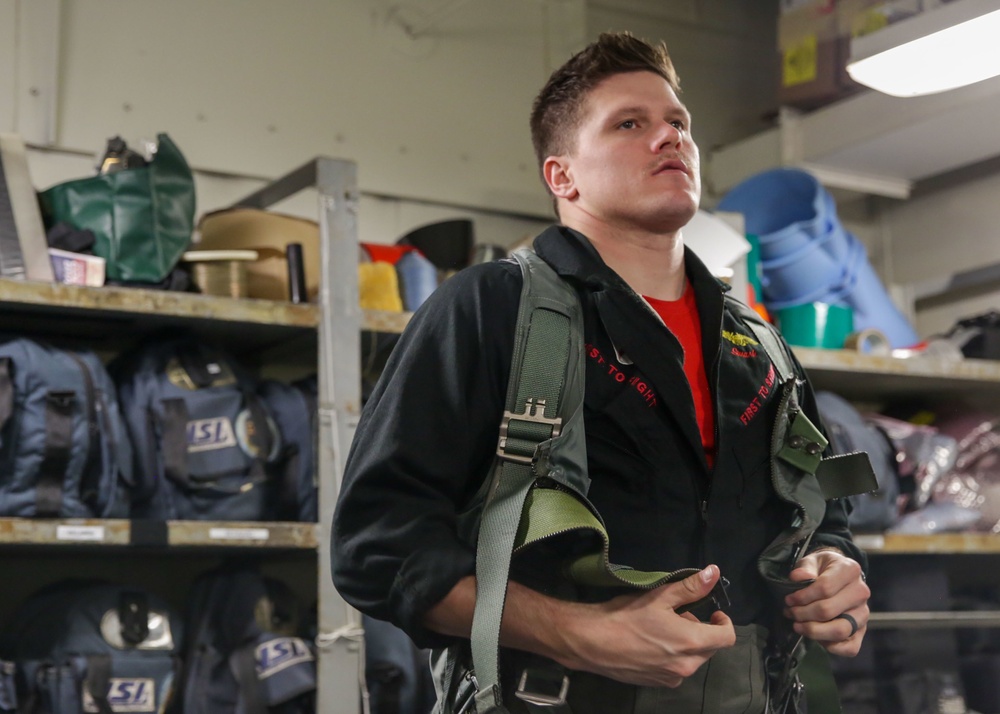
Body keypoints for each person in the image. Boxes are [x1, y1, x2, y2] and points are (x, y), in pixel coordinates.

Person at [332, 31, 871, 714]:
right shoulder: (492, 309)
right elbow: (376, 549)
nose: (669, 137)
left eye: (679, 123)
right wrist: (578, 633)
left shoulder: (756, 341)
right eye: (630, 124)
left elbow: (824, 515)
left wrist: (835, 570)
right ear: (563, 176)